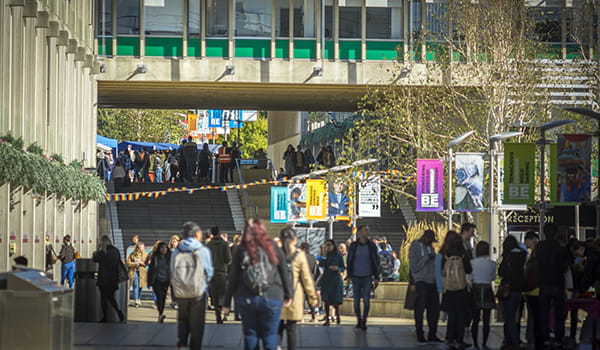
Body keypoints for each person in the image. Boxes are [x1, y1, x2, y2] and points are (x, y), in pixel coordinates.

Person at [223, 219, 293, 350]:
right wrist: (288, 295)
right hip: (272, 296)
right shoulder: (273, 247)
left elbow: (233, 278)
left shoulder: (241, 249)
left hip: (247, 296)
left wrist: (227, 302)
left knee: (250, 334)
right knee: (270, 335)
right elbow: (284, 272)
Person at [171, 222, 214, 350]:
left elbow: (172, 269)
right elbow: (209, 271)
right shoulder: (203, 250)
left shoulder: (176, 250)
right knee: (197, 322)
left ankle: (182, 343)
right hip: (198, 291)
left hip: (181, 290)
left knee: (183, 318)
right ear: (196, 234)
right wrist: (205, 283)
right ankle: (195, 347)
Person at [278, 228, 319, 350]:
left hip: (277, 296)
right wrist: (312, 298)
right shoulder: (299, 255)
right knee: (291, 329)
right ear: (294, 240)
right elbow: (307, 278)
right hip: (294, 296)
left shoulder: (274, 254)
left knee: (277, 328)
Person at [535, 223, 570, 348]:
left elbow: (535, 262)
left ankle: (545, 338)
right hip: (558, 283)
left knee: (543, 313)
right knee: (559, 313)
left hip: (543, 283)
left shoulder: (539, 247)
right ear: (555, 233)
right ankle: (558, 337)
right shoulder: (561, 247)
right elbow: (566, 264)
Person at [440, 231, 473, 350]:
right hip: (461, 288)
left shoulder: (444, 254)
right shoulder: (463, 254)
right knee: (461, 314)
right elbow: (469, 270)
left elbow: (440, 270)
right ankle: (459, 339)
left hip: (449, 288)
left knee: (451, 314)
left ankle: (450, 338)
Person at [408, 229, 440, 344]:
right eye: (429, 240)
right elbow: (414, 267)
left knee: (434, 310)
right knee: (420, 309)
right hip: (421, 281)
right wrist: (426, 258)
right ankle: (420, 334)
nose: (430, 243)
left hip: (432, 282)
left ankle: (433, 334)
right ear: (424, 238)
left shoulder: (430, 247)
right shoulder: (415, 247)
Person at [347, 225, 381, 331]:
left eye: (368, 231)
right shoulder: (353, 246)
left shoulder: (372, 246)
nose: (367, 233)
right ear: (360, 233)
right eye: (365, 231)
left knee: (366, 299)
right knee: (356, 300)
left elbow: (376, 261)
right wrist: (349, 275)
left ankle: (364, 320)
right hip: (356, 276)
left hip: (367, 276)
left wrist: (376, 277)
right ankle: (358, 319)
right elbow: (349, 260)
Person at [498, 235, 527, 350]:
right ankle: (514, 339)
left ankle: (513, 341)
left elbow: (501, 272)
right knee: (516, 317)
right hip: (520, 290)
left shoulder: (508, 256)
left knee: (509, 317)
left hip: (508, 289)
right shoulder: (523, 255)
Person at [92, 235, 125, 322]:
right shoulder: (116, 251)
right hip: (113, 278)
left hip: (103, 278)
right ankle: (118, 311)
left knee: (104, 298)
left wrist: (97, 251)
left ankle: (105, 317)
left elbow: (94, 259)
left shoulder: (103, 252)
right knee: (110, 297)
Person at [470, 241, 496, 350]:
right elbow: (493, 278)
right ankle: (484, 342)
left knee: (475, 319)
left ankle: (475, 342)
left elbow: (470, 277)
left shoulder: (472, 263)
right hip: (487, 290)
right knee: (486, 320)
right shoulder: (492, 264)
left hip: (475, 289)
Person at [206, 226, 232, 324]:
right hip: (222, 272)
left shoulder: (209, 245)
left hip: (212, 273)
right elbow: (228, 259)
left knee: (214, 295)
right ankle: (223, 309)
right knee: (223, 294)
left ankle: (218, 316)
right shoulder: (224, 244)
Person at [319, 239, 345, 326]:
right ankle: (327, 318)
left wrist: (338, 269)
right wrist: (323, 256)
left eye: (329, 245)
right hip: (327, 279)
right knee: (326, 300)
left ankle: (337, 316)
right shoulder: (325, 255)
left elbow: (342, 267)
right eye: (326, 245)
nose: (328, 247)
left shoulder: (338, 255)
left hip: (335, 279)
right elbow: (321, 264)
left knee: (335, 300)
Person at [147, 241, 171, 323]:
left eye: (165, 248)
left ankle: (161, 312)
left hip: (166, 280)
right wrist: (149, 280)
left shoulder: (169, 258)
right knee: (159, 296)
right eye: (162, 248)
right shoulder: (155, 257)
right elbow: (151, 269)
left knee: (163, 297)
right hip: (157, 280)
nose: (164, 249)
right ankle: (160, 313)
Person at [300, 242, 319, 322]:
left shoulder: (301, 257)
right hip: (311, 280)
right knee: (310, 299)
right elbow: (315, 270)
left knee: (302, 299)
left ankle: (302, 317)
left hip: (302, 280)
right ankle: (313, 317)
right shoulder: (313, 257)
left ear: (303, 249)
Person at [127, 241, 148, 307]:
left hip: (142, 271)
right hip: (134, 271)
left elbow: (148, 263)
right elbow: (128, 263)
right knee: (135, 284)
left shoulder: (145, 254)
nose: (142, 249)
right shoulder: (132, 254)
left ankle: (139, 298)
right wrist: (134, 264)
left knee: (140, 285)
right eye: (140, 247)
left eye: (143, 247)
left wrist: (142, 263)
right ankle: (136, 300)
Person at [168, 234, 181, 309]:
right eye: (173, 241)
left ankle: (177, 302)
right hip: (171, 271)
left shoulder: (179, 251)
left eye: (176, 241)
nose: (174, 243)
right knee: (172, 287)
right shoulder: (169, 251)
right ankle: (173, 301)